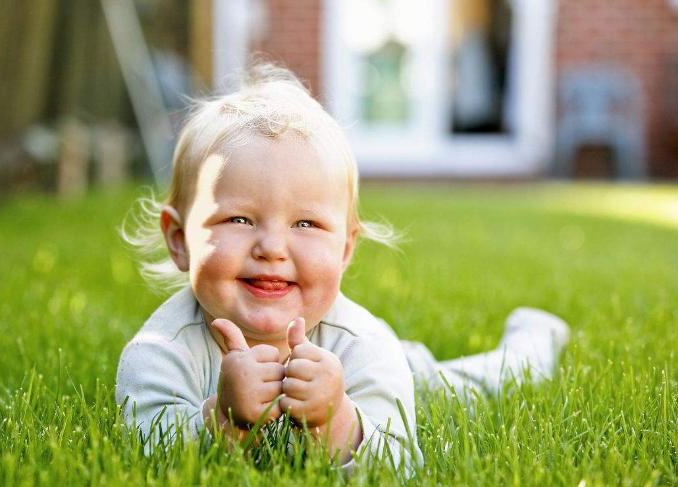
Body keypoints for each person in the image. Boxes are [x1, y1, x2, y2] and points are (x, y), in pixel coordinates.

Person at [115, 64, 569, 471]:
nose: (272, 247)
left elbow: (395, 466)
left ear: (345, 249)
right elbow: (147, 458)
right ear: (179, 239)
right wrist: (223, 422)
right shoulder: (159, 353)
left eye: (306, 223)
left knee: (459, 386)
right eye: (239, 219)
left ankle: (533, 346)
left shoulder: (365, 348)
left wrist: (337, 420)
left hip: (387, 367)